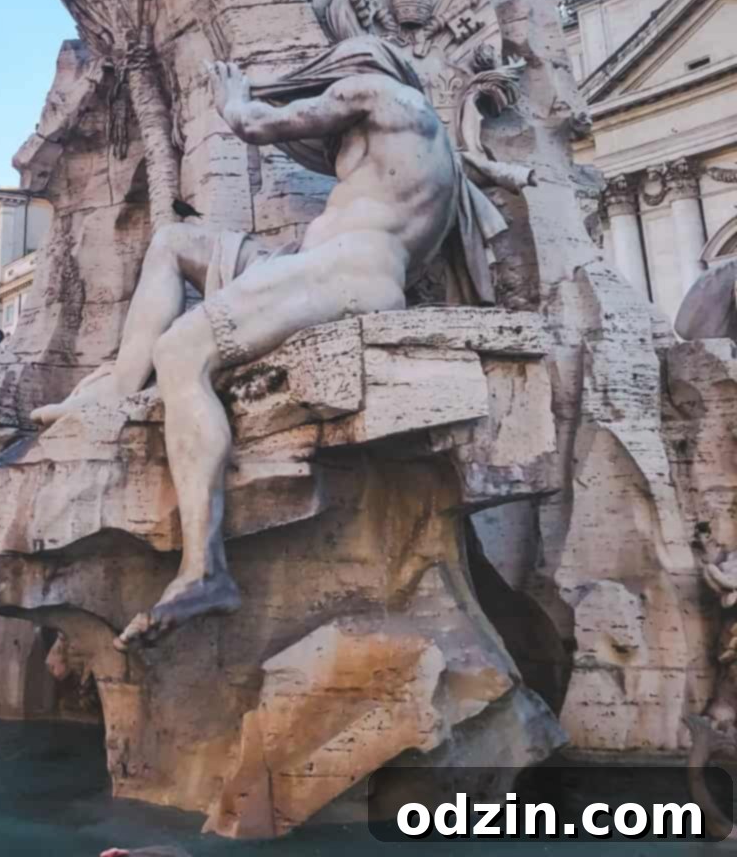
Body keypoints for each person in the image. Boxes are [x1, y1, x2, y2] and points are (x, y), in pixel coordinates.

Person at [36, 43, 518, 649]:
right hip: (321, 264)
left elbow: (258, 125)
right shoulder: (418, 146)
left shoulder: (373, 90)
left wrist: (234, 96)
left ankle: (203, 570)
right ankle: (117, 393)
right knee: (173, 242)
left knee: (184, 351)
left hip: (346, 270)